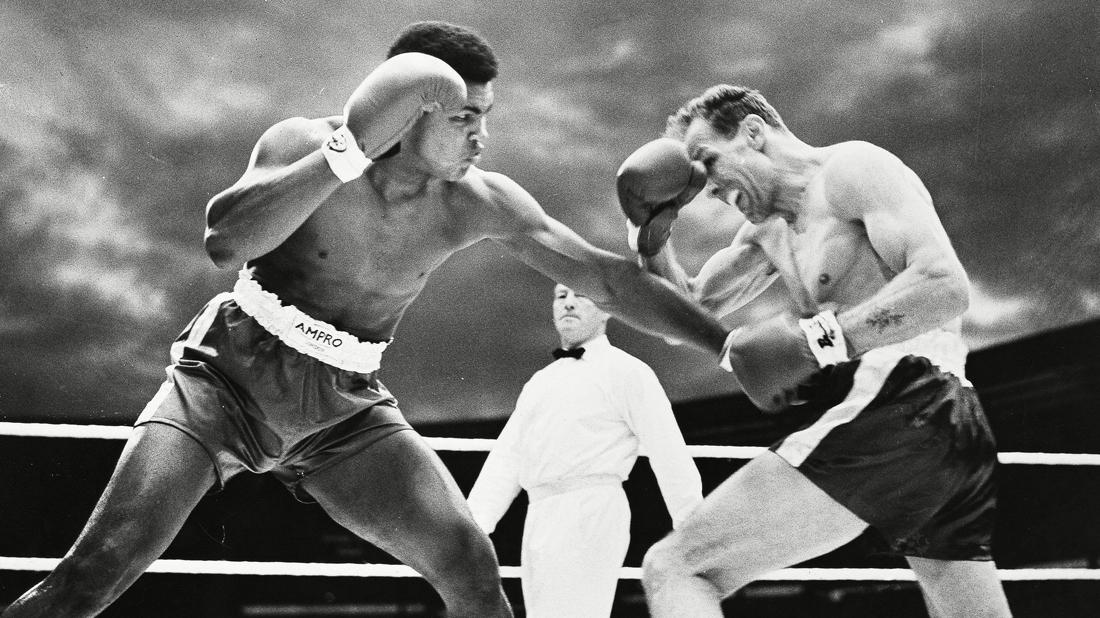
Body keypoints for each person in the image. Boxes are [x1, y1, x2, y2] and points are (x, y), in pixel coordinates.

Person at [1, 22, 732, 618]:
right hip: (225, 381)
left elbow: (604, 277)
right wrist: (342, 156)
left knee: (470, 566)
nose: (482, 137)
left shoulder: (478, 200)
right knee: (92, 573)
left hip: (346, 411)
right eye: (466, 117)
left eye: (488, 117)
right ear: (413, 111)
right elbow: (224, 243)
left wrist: (725, 345)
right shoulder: (299, 144)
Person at [616, 85, 1010, 617]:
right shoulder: (765, 235)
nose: (707, 188)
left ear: (753, 133)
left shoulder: (852, 169)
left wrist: (819, 342)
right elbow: (684, 309)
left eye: (709, 161)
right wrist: (652, 232)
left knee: (677, 567)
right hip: (946, 432)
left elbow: (943, 285)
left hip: (902, 397)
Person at [467, 283, 703, 618]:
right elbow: (508, 457)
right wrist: (473, 527)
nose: (569, 303)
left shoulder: (627, 371)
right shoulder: (539, 382)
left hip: (592, 509)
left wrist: (693, 530)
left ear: (607, 308)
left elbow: (668, 449)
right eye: (561, 296)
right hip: (539, 514)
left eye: (581, 295)